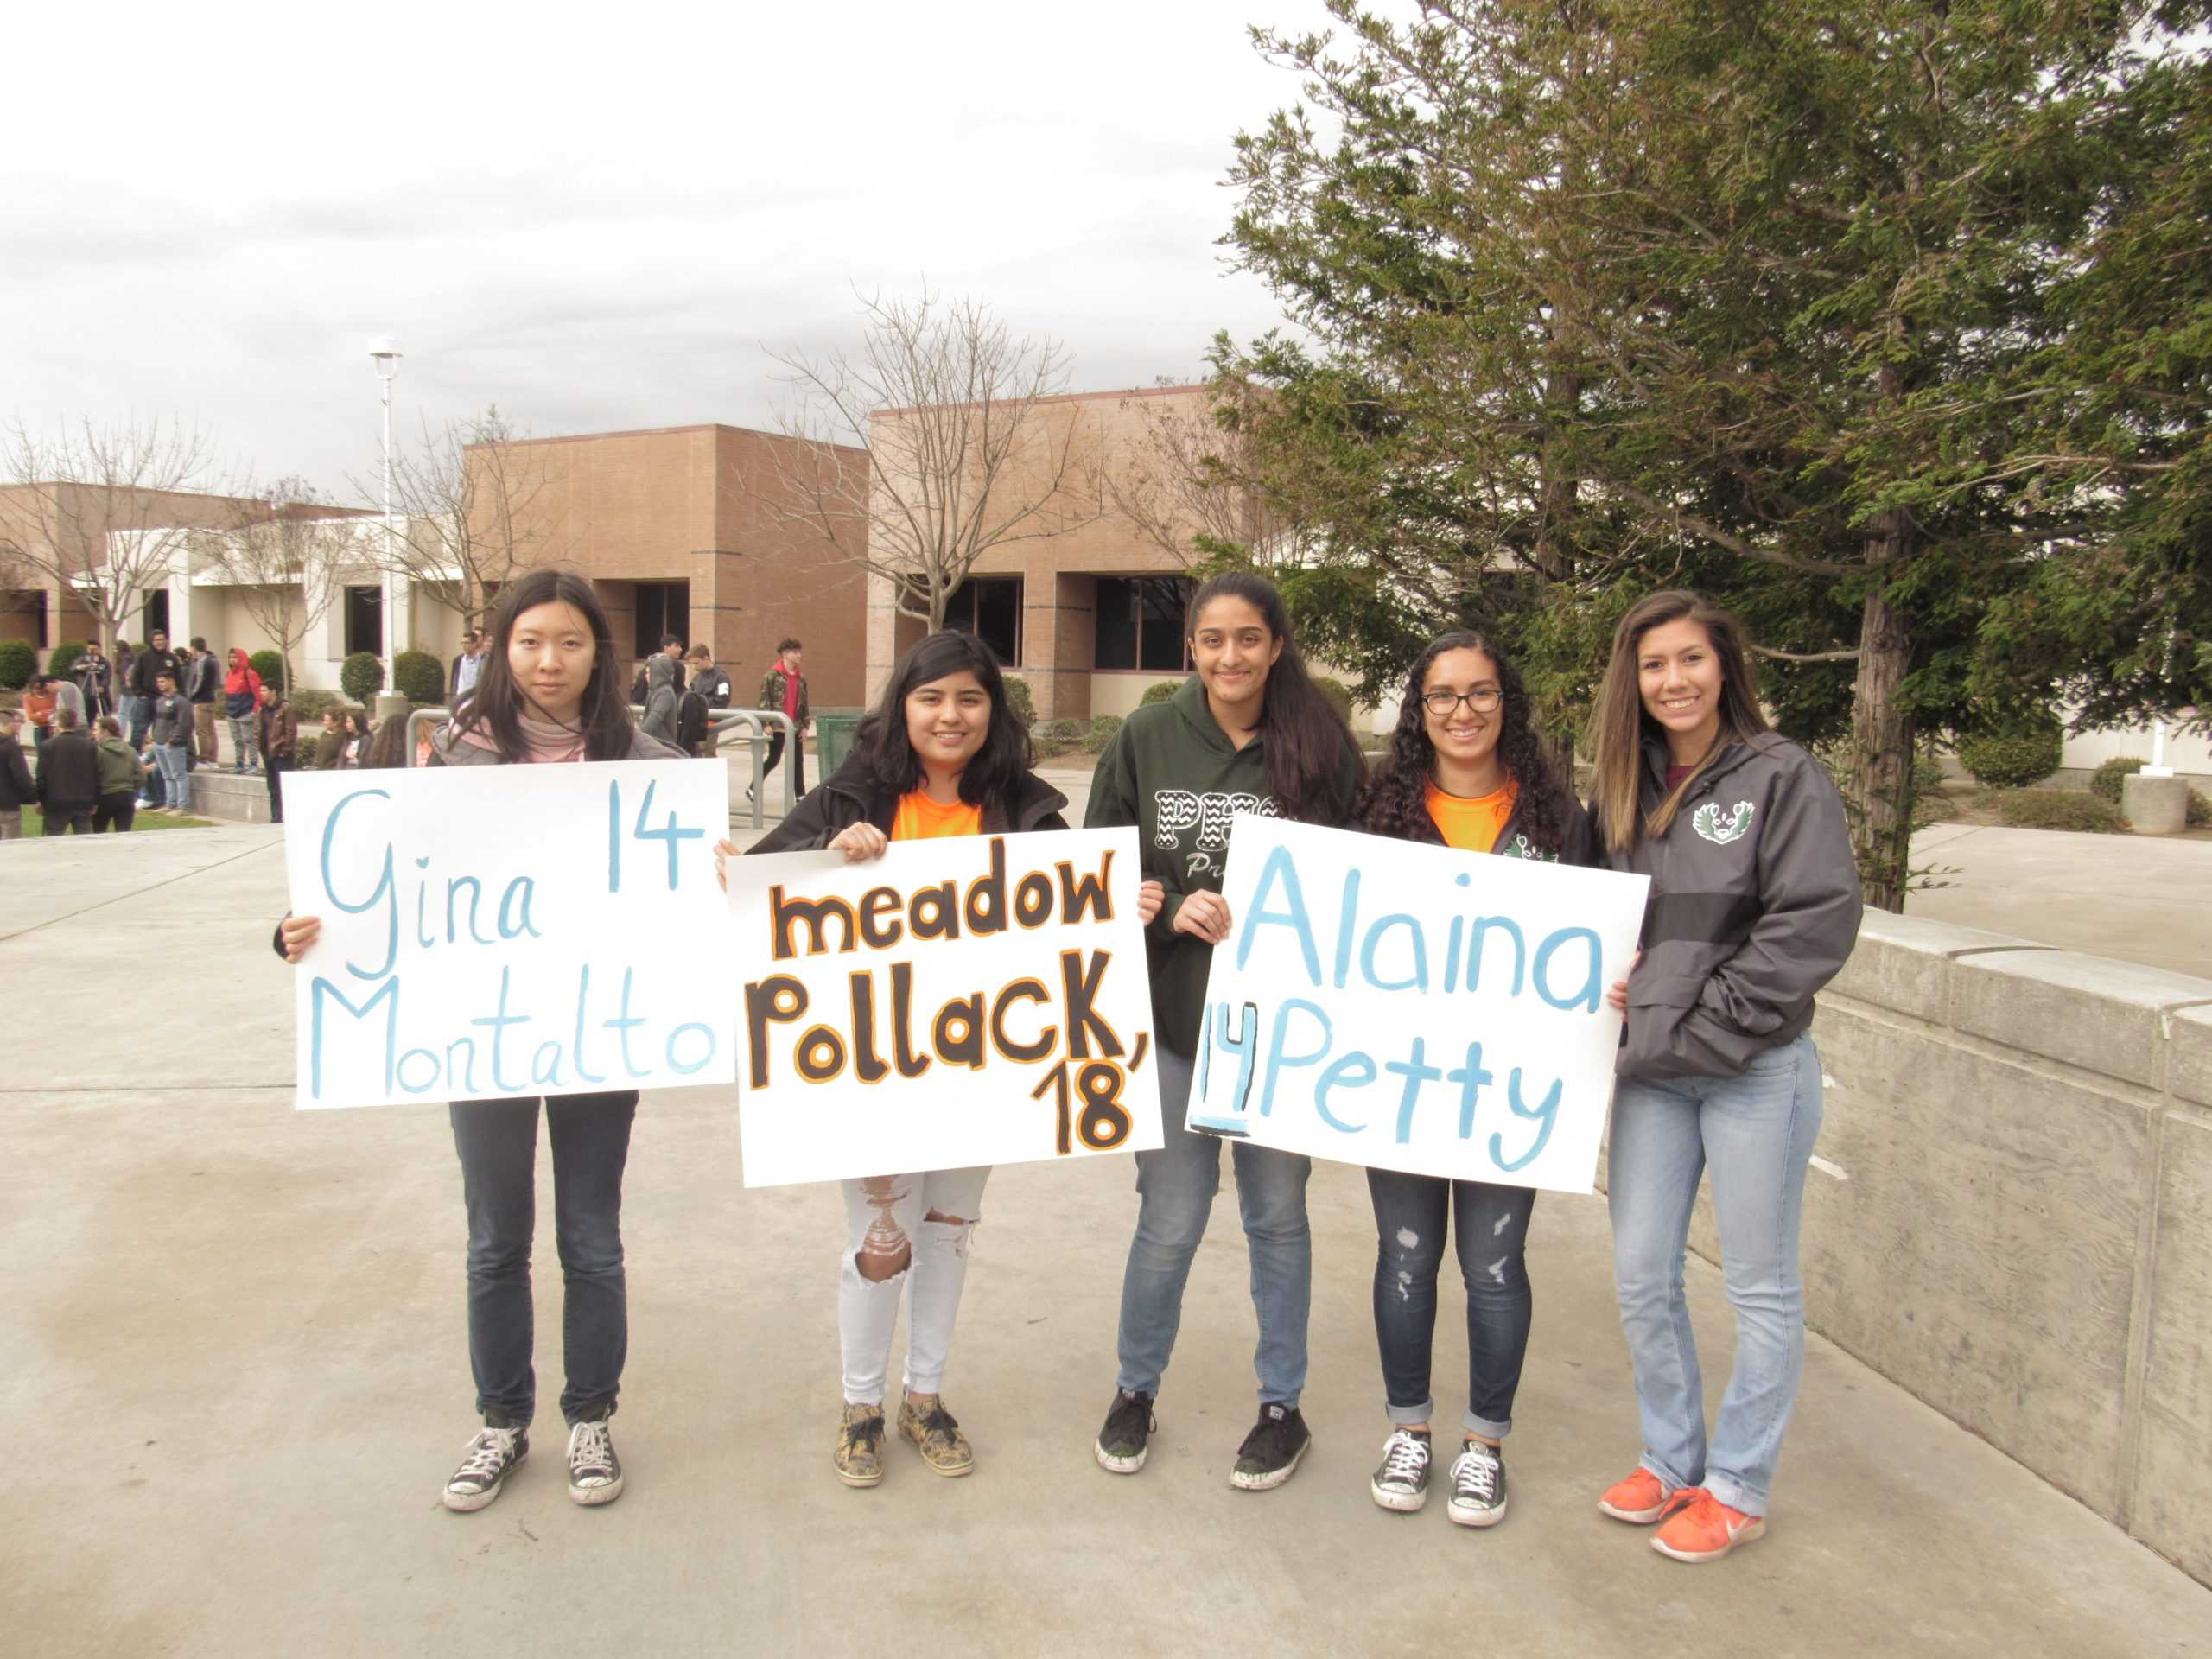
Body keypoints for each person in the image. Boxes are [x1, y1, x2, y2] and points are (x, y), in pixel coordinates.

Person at [276, 569, 682, 1515]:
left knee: (591, 1238)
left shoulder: (648, 761)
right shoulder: (450, 760)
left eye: (570, 642)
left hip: (599, 1032)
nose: (550, 661)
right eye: (530, 641)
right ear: (501, 648)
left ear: (597, 653)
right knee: (495, 1240)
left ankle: (590, 1417)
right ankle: (502, 1420)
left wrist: (717, 873)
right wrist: (301, 929)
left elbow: (687, 888)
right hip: (480, 1035)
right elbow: (376, 884)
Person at [727, 629, 1104, 1489]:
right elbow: (756, 888)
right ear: (903, 705)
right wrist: (831, 857)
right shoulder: (853, 794)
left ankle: (923, 1397)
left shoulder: (1031, 811)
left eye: (970, 699)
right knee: (880, 1242)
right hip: (870, 1067)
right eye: (931, 697)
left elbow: (1073, 929)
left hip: (986, 1068)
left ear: (991, 713)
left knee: (950, 1235)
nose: (950, 715)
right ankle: (860, 1405)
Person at [1590, 589, 1861, 1564]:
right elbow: (1596, 920)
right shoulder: (1621, 787)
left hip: (1755, 1070)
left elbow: (1813, 921)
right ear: (1633, 681)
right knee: (1639, 1276)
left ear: (1724, 666)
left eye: (1689, 661)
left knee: (1757, 1287)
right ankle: (1670, 1460)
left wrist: (1704, 1022)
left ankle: (1737, 1484)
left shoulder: (1783, 775)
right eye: (1654, 665)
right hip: (1654, 1074)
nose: (1673, 681)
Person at [1087, 570, 1364, 1491]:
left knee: (1277, 1220)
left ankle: (1281, 1406)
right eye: (1212, 640)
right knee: (1167, 1220)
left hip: (1279, 1041)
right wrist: (1163, 914)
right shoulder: (1147, 735)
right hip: (1171, 1025)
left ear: (1276, 644)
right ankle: (1134, 1390)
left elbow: (1358, 885)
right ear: (1192, 649)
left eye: (1247, 638)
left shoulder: (1318, 743)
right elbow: (1096, 872)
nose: (1230, 657)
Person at [1349, 630, 1600, 1529]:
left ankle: (1484, 1444)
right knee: (1407, 1257)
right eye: (1443, 696)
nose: (1463, 712)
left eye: (1480, 693)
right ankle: (1408, 1431)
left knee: (1493, 1265)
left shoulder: (1559, 822)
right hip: (1399, 1083)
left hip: (1508, 1088)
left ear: (1507, 703)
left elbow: (1595, 940)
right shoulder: (1376, 814)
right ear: (1418, 713)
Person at [35, 707, 100, 834]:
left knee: (53, 842)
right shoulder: (89, 746)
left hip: (56, 802)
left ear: (58, 724)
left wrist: (39, 799)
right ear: (75, 723)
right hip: (83, 802)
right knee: (84, 842)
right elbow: (95, 774)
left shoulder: (47, 746)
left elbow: (41, 776)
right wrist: (95, 800)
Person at [759, 638, 809, 797]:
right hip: (778, 725)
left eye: (799, 651)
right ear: (785, 654)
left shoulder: (801, 677)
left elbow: (804, 703)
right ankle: (753, 787)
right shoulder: (772, 675)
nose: (799, 655)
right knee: (774, 758)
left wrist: (805, 726)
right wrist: (766, 723)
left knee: (797, 761)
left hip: (794, 725)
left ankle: (800, 794)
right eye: (795, 652)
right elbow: (764, 700)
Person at [148, 670, 194, 815]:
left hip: (174, 745)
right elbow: (157, 721)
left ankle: (183, 807)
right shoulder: (160, 701)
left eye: (162, 681)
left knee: (179, 775)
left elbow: (185, 724)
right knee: (167, 776)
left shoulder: (181, 702)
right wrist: (154, 738)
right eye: (158, 682)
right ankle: (170, 803)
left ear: (171, 681)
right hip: (159, 743)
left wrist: (173, 740)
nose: (160, 685)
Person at [679, 643, 730, 757]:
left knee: (707, 754)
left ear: (706, 658)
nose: (694, 667)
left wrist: (700, 706)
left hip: (710, 722)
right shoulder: (697, 678)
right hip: (695, 722)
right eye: (692, 664)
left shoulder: (721, 677)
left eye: (696, 663)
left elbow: (722, 701)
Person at [92, 716, 142, 833]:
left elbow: (93, 776)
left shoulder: (98, 750)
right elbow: (140, 776)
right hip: (126, 796)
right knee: (124, 835)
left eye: (96, 730)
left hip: (104, 797)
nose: (94, 733)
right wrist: (132, 789)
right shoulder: (130, 750)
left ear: (105, 732)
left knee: (97, 835)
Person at [257, 681, 297, 824]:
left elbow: (290, 732)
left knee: (284, 788)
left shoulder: (285, 708)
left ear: (273, 691)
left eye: (264, 690)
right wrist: (262, 749)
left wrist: (284, 751)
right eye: (260, 691)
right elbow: (260, 730)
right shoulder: (262, 709)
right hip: (268, 754)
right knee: (272, 788)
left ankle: (288, 817)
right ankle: (276, 817)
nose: (261, 694)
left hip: (281, 755)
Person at [223, 650, 264, 772]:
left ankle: (253, 764)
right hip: (231, 712)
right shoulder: (228, 674)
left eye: (235, 657)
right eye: (230, 657)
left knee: (249, 739)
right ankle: (239, 764)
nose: (232, 660)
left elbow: (258, 693)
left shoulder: (249, 673)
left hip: (246, 711)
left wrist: (254, 710)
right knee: (237, 740)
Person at [184, 637, 221, 765]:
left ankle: (205, 757)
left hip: (201, 701)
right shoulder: (213, 660)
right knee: (211, 729)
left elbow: (199, 681)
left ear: (194, 648)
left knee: (202, 731)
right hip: (210, 699)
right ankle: (213, 757)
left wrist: (192, 695)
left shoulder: (201, 661)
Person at [0, 709, 33, 839]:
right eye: (19, 722)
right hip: (8, 805)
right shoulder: (11, 747)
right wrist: (33, 798)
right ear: (10, 724)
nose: (20, 725)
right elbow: (21, 776)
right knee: (12, 849)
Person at [639, 652, 680, 747]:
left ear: (658, 673)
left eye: (649, 673)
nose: (646, 676)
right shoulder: (655, 691)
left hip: (663, 746)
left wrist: (639, 737)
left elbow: (655, 718)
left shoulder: (665, 692)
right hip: (655, 743)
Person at [73, 645, 112, 723]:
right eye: (90, 649)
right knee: (87, 718)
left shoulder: (104, 662)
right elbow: (73, 668)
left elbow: (107, 676)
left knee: (105, 717)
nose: (93, 651)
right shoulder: (82, 660)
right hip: (86, 693)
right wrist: (82, 667)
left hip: (100, 694)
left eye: (95, 649)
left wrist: (102, 686)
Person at [450, 630, 486, 707]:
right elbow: (454, 680)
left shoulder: (484, 660)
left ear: (475, 644)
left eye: (466, 643)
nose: (463, 646)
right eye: (462, 643)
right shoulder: (458, 660)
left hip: (476, 700)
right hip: (460, 699)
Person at [22, 676, 56, 753]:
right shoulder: (27, 697)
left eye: (39, 688)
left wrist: (40, 713)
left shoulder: (52, 695)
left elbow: (55, 712)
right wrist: (46, 713)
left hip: (53, 728)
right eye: (34, 688)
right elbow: (31, 716)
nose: (37, 690)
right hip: (39, 728)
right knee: (41, 753)